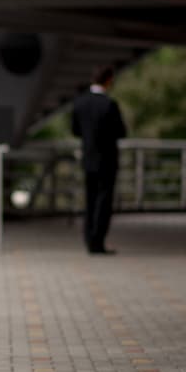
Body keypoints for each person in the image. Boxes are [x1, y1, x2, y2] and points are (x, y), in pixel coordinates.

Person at [71, 66, 128, 255]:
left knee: (90, 200)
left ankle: (89, 239)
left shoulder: (80, 103)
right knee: (104, 201)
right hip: (107, 159)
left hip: (88, 158)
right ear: (108, 80)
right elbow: (121, 131)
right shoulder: (109, 104)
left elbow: (75, 130)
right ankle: (98, 241)